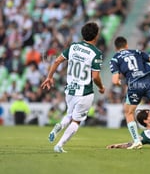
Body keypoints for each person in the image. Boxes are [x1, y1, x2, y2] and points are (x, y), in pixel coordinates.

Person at [41, 22, 105, 153]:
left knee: (69, 114)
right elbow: (96, 77)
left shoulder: (74, 47)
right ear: (96, 36)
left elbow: (57, 60)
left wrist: (49, 77)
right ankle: (59, 145)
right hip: (84, 92)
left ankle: (58, 127)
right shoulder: (96, 53)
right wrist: (101, 87)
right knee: (76, 121)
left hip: (70, 90)